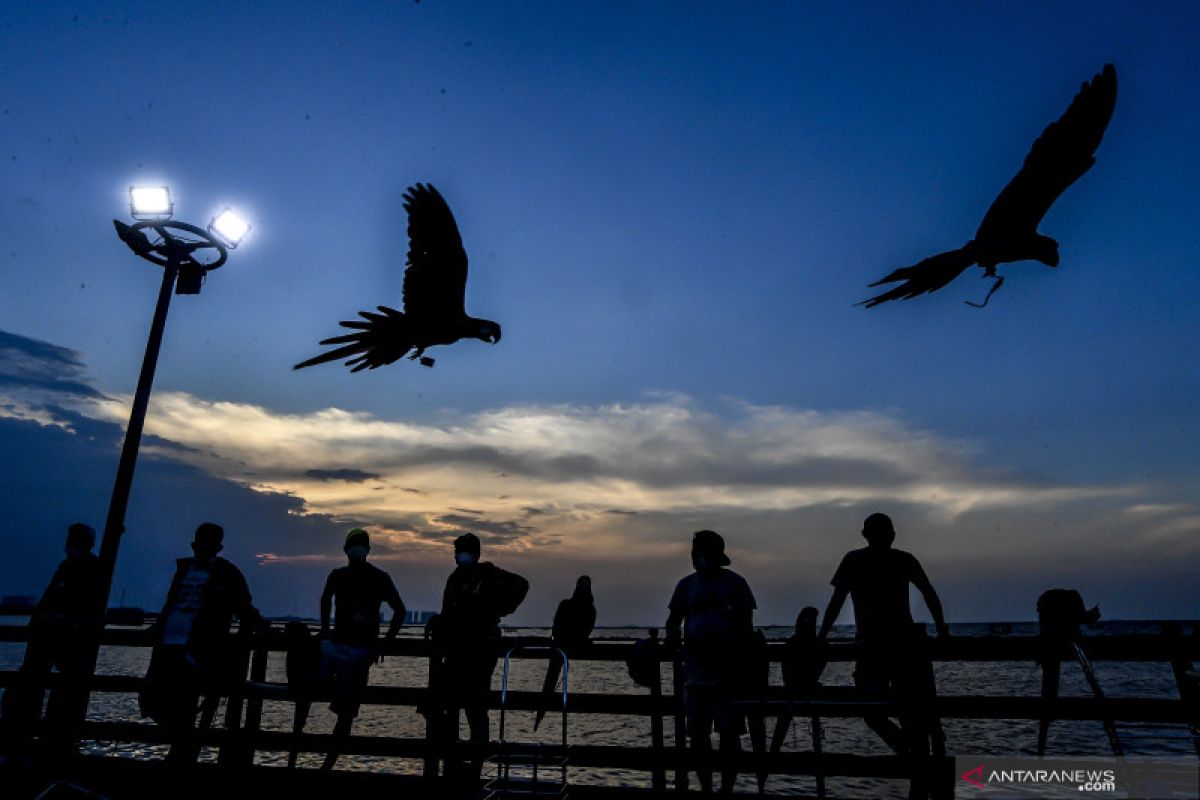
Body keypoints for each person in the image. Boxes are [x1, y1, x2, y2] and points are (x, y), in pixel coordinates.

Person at [818, 512, 947, 798]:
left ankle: (917, 774)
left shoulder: (896, 559)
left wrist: (822, 636)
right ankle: (913, 757)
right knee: (879, 710)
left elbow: (928, 592)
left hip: (898, 645)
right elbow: (929, 593)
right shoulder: (865, 560)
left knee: (903, 714)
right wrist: (942, 630)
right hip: (882, 645)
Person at [139, 522, 262, 767]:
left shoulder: (227, 573)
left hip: (199, 650)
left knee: (185, 705)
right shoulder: (184, 569)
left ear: (217, 546)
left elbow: (244, 607)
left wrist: (256, 628)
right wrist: (157, 628)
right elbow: (171, 601)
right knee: (154, 700)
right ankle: (182, 752)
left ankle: (182, 755)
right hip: (169, 647)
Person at [424, 532, 528, 781]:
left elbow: (521, 585)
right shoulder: (454, 578)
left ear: (477, 554)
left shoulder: (488, 573)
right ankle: (454, 761)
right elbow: (447, 612)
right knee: (442, 704)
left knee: (476, 710)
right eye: (458, 552)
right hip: (457, 651)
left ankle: (476, 766)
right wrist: (439, 622)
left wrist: (497, 608)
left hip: (481, 651)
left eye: (465, 551)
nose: (461, 556)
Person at [664, 530, 757, 796]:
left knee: (729, 734)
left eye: (700, 552)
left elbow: (746, 624)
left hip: (729, 670)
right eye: (695, 552)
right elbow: (673, 621)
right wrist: (673, 642)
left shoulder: (736, 584)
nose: (696, 558)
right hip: (695, 670)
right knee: (698, 734)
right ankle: (705, 788)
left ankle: (726, 789)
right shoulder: (686, 585)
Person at [1, 523, 103, 761]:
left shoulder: (85, 567)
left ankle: (38, 736)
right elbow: (49, 600)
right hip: (57, 641)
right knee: (45, 688)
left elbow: (60, 601)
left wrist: (51, 620)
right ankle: (41, 735)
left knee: (48, 688)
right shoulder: (72, 566)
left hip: (64, 641)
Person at [317, 527, 405, 770]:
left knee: (344, 709)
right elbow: (400, 610)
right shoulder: (375, 577)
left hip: (354, 652)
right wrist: (387, 640)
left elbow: (325, 600)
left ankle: (326, 764)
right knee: (345, 709)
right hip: (352, 650)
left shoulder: (354, 576)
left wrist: (386, 641)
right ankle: (326, 764)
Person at [534, 575, 596, 730]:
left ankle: (540, 714)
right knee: (550, 679)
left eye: (586, 584)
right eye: (582, 584)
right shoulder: (566, 605)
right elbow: (557, 629)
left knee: (551, 680)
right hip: (561, 647)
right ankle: (540, 714)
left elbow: (584, 632)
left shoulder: (590, 610)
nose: (584, 587)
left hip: (570, 646)